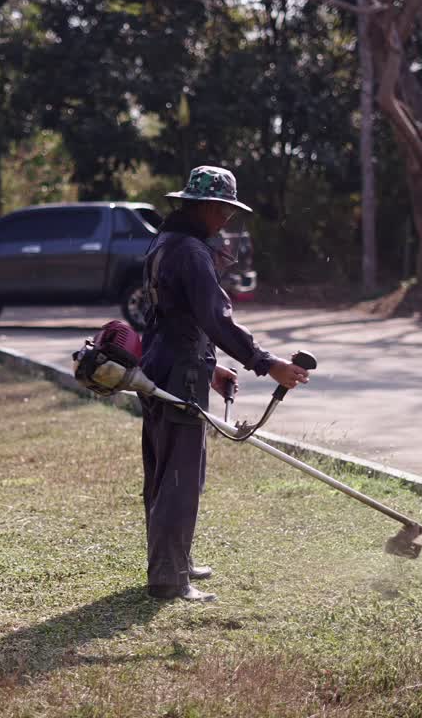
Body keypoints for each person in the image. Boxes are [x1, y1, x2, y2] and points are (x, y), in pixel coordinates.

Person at [139, 165, 310, 602]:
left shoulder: (165, 241)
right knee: (179, 477)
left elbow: (171, 316)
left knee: (166, 473)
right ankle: (170, 577)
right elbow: (216, 317)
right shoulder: (191, 252)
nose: (227, 220)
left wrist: (210, 366)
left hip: (161, 369)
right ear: (207, 207)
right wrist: (265, 361)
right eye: (225, 210)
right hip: (178, 377)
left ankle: (173, 559)